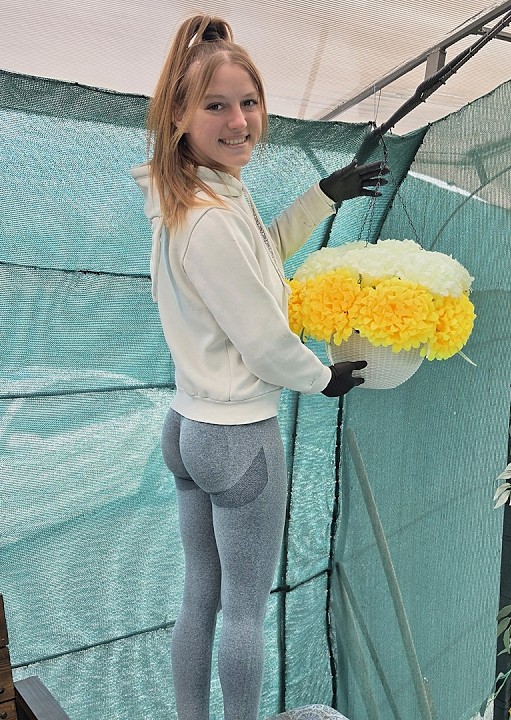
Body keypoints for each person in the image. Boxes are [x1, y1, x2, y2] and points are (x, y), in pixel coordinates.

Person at [133, 16, 388, 720]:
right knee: (244, 612)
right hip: (237, 439)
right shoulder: (210, 219)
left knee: (200, 596)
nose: (240, 120)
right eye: (216, 105)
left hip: (188, 424)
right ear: (179, 116)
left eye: (249, 101)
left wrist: (323, 197)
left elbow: (261, 259)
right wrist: (323, 378)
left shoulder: (194, 194)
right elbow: (264, 341)